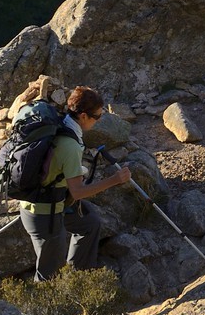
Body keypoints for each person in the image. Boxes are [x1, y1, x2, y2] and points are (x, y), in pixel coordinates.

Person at [17, 85, 132, 281]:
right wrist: (114, 180)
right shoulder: (69, 145)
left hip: (56, 201)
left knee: (89, 223)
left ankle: (79, 281)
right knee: (49, 276)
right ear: (84, 116)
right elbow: (78, 192)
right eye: (97, 116)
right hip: (44, 213)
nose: (99, 120)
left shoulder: (65, 125)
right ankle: (49, 308)